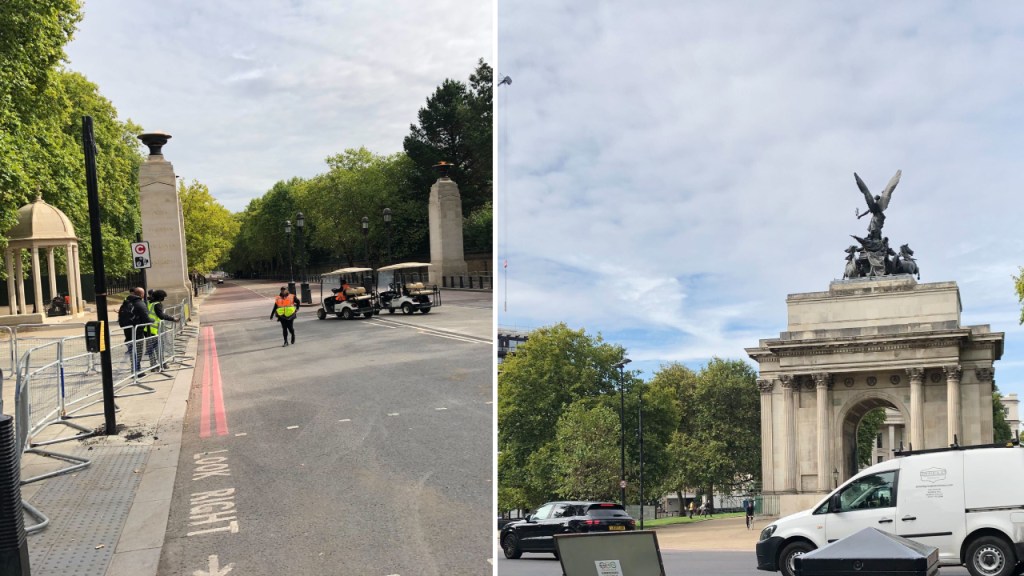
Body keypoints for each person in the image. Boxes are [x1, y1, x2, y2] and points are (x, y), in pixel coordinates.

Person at [144, 289, 180, 370]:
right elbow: (161, 316)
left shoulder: (150, 303)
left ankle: (153, 365)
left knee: (150, 348)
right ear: (160, 298)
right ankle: (162, 363)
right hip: (154, 329)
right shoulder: (157, 304)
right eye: (163, 297)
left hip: (147, 329)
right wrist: (173, 318)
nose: (164, 299)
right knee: (159, 347)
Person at [121, 287, 150, 372]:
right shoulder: (140, 303)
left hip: (127, 331)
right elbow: (146, 318)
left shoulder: (126, 303)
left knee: (132, 351)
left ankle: (134, 368)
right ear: (142, 294)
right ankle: (136, 369)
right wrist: (152, 321)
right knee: (138, 350)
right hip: (138, 331)